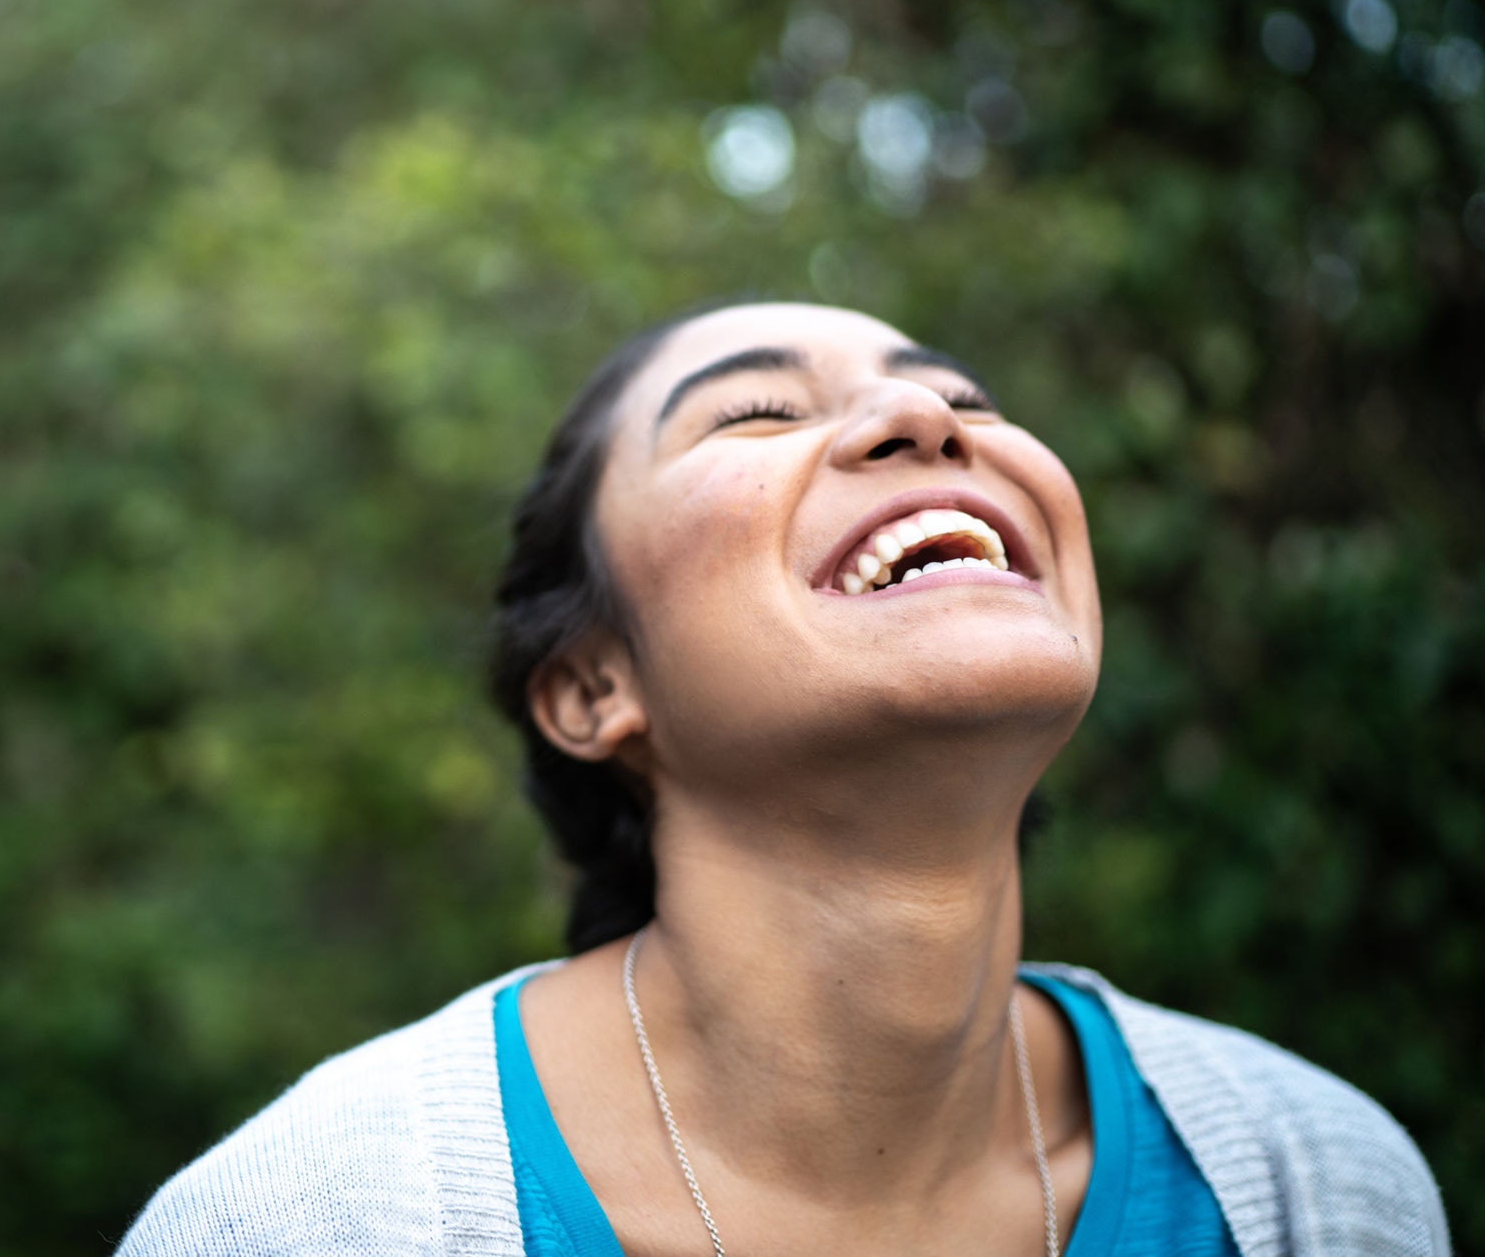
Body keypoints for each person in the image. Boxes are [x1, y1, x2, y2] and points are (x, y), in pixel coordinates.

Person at [116, 303, 1450, 1256]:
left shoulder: (1318, 1188)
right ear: (593, 689)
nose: (925, 415)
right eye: (756, 412)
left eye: (969, 402)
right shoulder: (307, 1223)